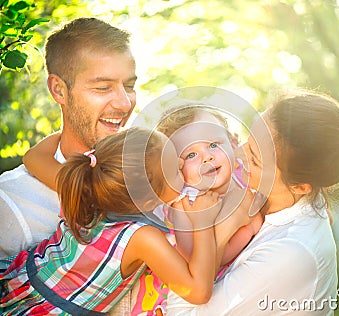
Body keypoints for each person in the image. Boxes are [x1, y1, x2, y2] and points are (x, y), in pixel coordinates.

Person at [166, 89, 339, 315]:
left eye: (254, 159)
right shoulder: (278, 199)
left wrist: (224, 229)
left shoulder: (291, 253)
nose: (240, 155)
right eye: (248, 141)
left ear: (300, 186)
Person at [0, 127, 254, 315]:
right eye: (175, 170)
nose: (181, 162)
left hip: (18, 281)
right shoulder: (142, 238)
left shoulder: (87, 190)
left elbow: (33, 157)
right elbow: (198, 291)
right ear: (147, 202)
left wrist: (81, 141)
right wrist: (205, 222)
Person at [0, 17, 138, 258]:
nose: (124, 103)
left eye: (128, 86)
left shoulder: (154, 174)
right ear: (59, 90)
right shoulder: (11, 201)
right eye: (103, 88)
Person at [156, 105, 264, 265]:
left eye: (213, 145)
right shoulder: (184, 205)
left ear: (233, 144)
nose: (207, 157)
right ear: (175, 167)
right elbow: (196, 260)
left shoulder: (242, 173)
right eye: (191, 155)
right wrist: (248, 230)